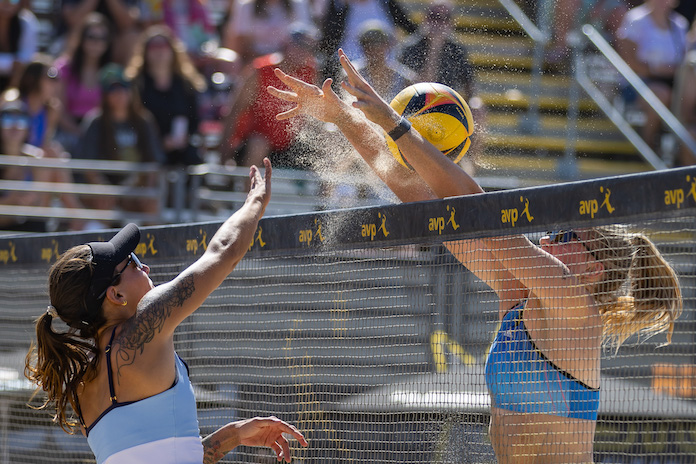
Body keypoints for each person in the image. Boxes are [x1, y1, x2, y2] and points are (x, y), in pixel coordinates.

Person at [268, 49, 684, 463]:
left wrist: (395, 125)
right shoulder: (517, 294)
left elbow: (475, 206)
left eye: (565, 235)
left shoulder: (575, 305)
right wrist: (345, 118)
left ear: (594, 269)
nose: (550, 237)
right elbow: (422, 198)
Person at [24, 158, 309, 463]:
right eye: (132, 262)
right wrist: (255, 201)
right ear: (115, 294)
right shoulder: (145, 323)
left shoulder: (81, 382)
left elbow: (165, 453)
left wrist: (235, 434)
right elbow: (224, 251)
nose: (144, 265)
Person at [219, 24, 318, 169]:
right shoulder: (261, 70)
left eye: (307, 48)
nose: (302, 52)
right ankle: (250, 189)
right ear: (286, 44)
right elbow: (235, 110)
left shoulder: (311, 72)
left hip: (290, 144)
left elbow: (314, 113)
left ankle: (326, 191)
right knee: (258, 145)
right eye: (298, 45)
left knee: (324, 143)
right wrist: (224, 154)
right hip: (254, 142)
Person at [74, 63, 165, 215]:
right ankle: (103, 237)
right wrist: (104, 189)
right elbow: (88, 165)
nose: (119, 94)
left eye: (124, 88)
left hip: (136, 186)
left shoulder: (144, 121)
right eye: (113, 90)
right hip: (105, 186)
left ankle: (149, 238)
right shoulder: (95, 122)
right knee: (102, 202)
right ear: (105, 95)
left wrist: (147, 189)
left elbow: (154, 161)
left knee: (151, 203)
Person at [126, 25, 206, 166]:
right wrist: (160, 141)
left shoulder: (187, 85)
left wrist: (182, 139)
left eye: (163, 46)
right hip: (145, 148)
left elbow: (195, 122)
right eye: (153, 47)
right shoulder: (136, 84)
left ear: (173, 50)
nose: (159, 51)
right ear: (145, 52)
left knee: (193, 158)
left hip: (181, 149)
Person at [617, 0, 689, 152]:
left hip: (670, 83)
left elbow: (683, 61)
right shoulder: (635, 19)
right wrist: (656, 70)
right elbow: (629, 62)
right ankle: (647, 147)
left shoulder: (679, 24)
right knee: (661, 95)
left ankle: (682, 152)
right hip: (636, 83)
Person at [54, 12, 114, 155]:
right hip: (67, 130)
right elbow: (58, 109)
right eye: (91, 37)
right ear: (81, 38)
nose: (96, 43)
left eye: (102, 38)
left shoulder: (111, 73)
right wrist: (79, 132)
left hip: (101, 132)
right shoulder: (64, 68)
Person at [222, 0, 312, 64]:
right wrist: (266, 62)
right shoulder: (246, 5)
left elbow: (305, 39)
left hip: (289, 63)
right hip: (254, 64)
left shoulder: (298, 4)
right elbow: (239, 45)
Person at [0, 0, 38, 92]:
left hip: (16, 82)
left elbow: (27, 58)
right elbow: (17, 63)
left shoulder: (27, 21)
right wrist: (11, 63)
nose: (7, 2)